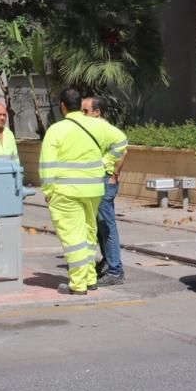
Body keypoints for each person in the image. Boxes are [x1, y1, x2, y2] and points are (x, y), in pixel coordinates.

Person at [39, 88, 121, 295]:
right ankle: (90, 278)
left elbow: (46, 164)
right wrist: (106, 164)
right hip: (93, 189)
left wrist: (48, 191)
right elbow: (121, 141)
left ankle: (78, 284)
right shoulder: (96, 125)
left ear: (62, 106)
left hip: (66, 192)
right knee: (89, 233)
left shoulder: (56, 130)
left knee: (73, 238)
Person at [81, 96, 129, 286]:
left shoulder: (106, 129)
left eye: (85, 111)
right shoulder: (91, 129)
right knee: (100, 226)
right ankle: (108, 262)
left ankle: (115, 270)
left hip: (105, 181)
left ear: (97, 112)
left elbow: (123, 147)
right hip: (97, 180)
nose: (82, 115)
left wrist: (111, 169)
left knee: (107, 225)